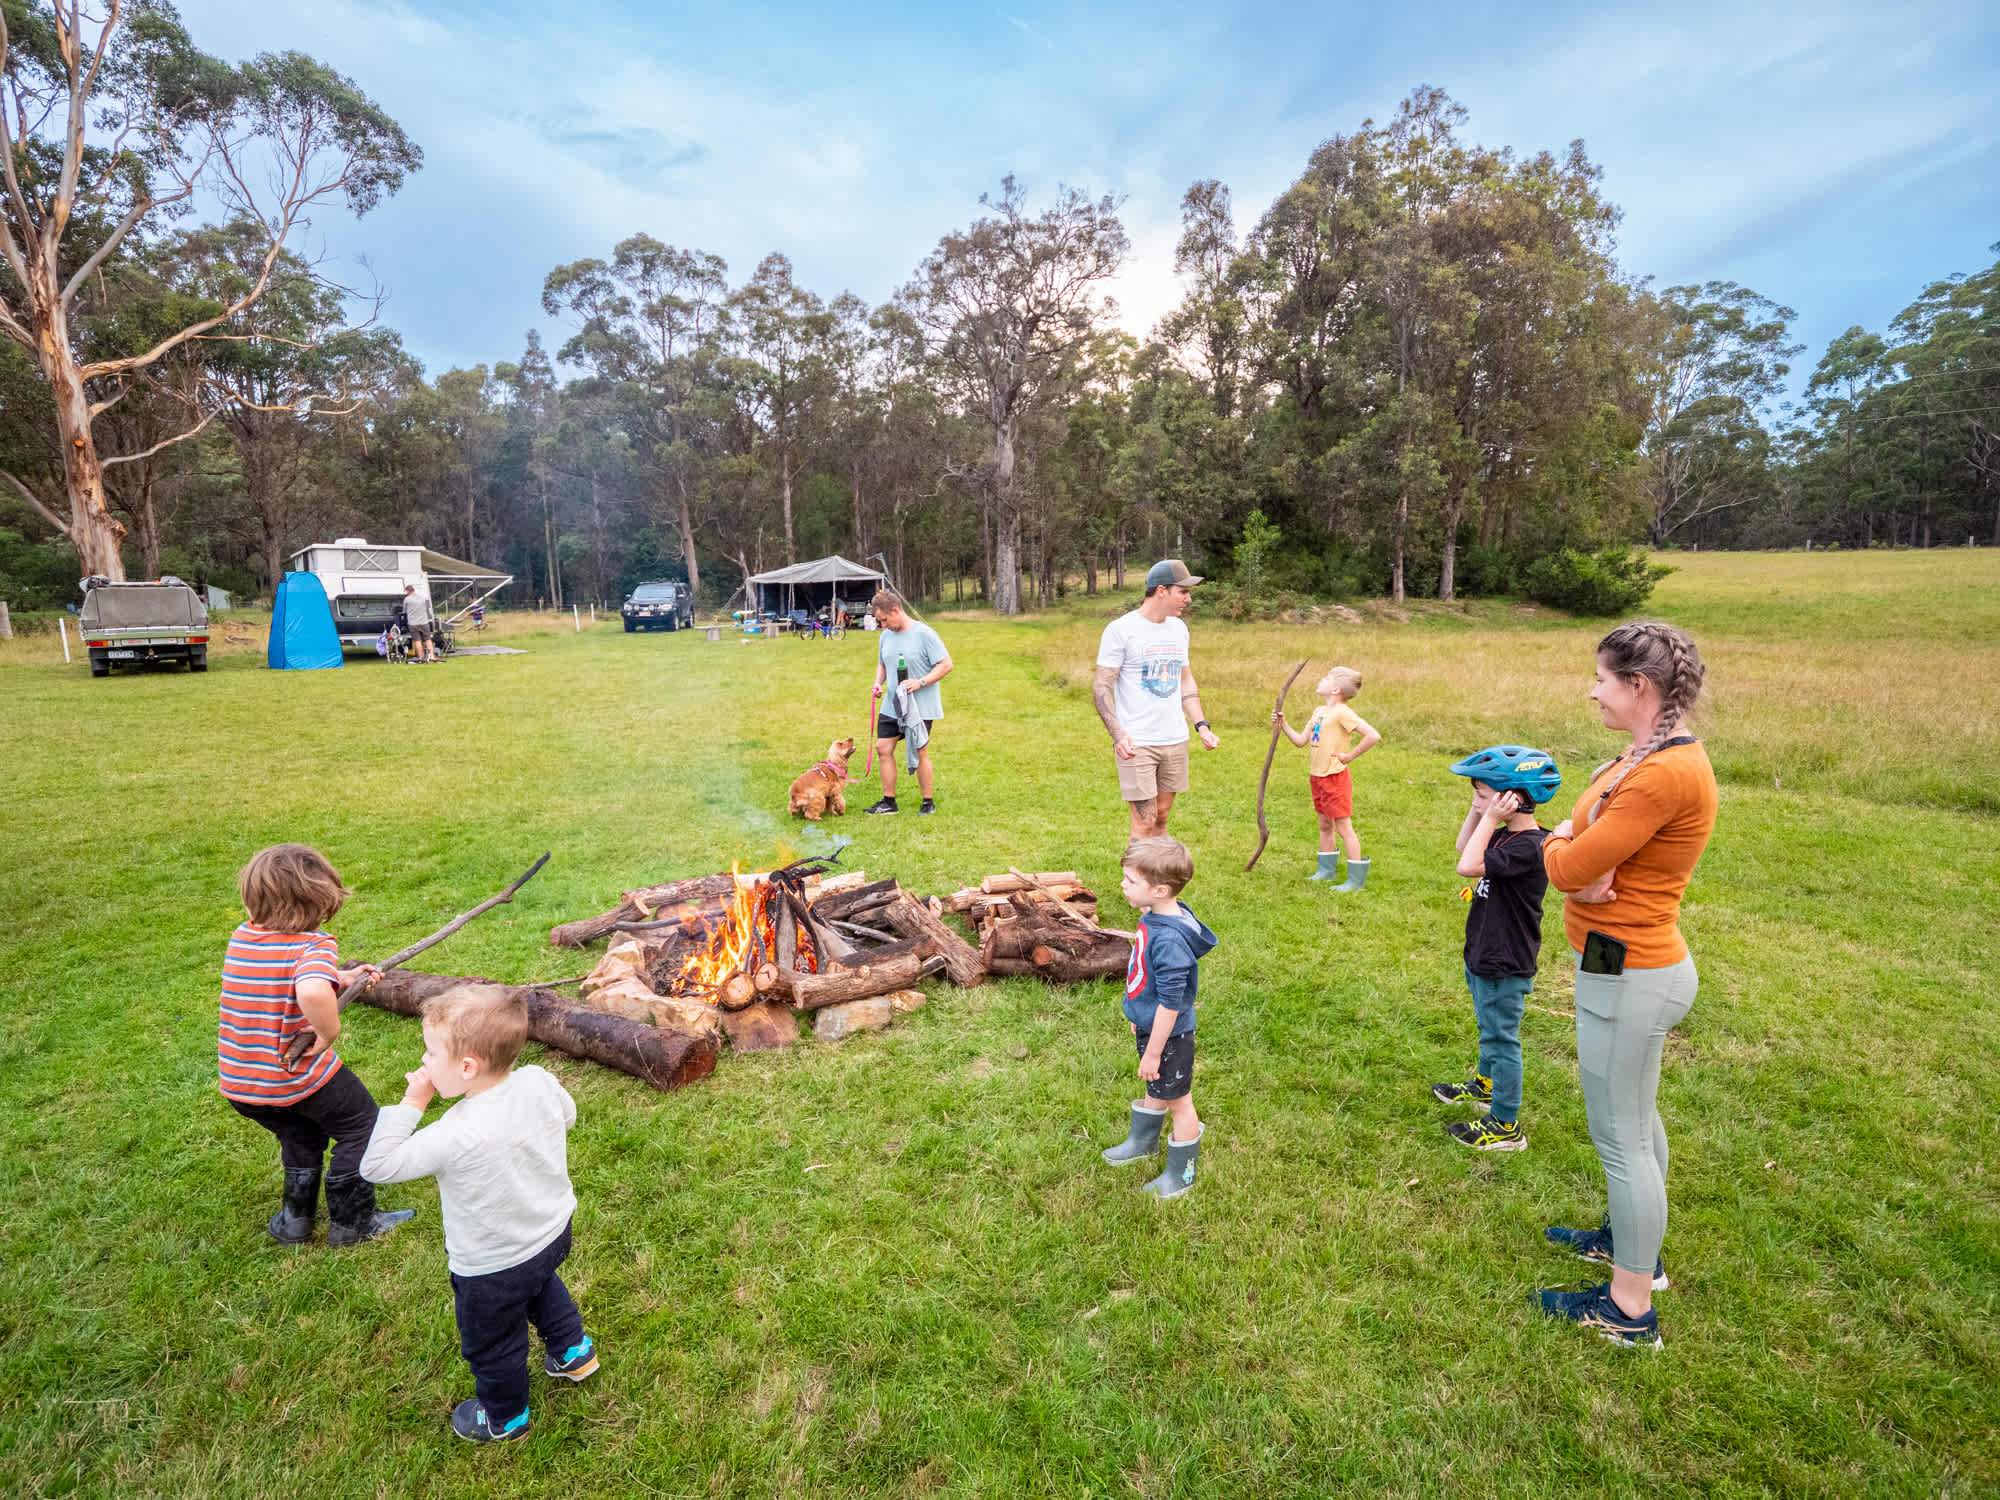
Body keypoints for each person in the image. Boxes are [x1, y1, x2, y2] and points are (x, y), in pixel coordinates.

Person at [1536, 622, 1716, 1350]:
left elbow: (1571, 867)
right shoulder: (1647, 753)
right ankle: (1628, 1245)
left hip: (1634, 970)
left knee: (1621, 1139)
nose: (1593, 690)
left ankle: (1630, 1306)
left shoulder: (1665, 771)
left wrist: (1554, 844)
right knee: (1635, 1121)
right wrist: (1579, 855)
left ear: (1638, 687)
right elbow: (1588, 854)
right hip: (1617, 962)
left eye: (1603, 680)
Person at [361, 984, 598, 1443]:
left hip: (492, 1265)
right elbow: (566, 1115)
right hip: (551, 1233)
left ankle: (506, 1417)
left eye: (431, 1053)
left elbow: (377, 1166)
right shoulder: (537, 1080)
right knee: (539, 1283)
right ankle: (573, 1350)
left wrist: (413, 1103)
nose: (424, 1063)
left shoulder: (454, 1132)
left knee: (493, 1342)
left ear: (467, 1067)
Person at [218, 844, 415, 1249]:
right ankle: (352, 1222)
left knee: (301, 1135)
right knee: (361, 1124)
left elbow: (280, 975)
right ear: (319, 899)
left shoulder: (243, 937)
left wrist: (339, 978)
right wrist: (327, 1032)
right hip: (294, 1074)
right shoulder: (313, 946)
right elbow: (308, 987)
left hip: (244, 1084)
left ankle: (295, 1221)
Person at [1430, 746, 1562, 1152]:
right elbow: (1463, 846)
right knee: (1489, 1030)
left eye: (1484, 793)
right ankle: (1485, 1087)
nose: (1477, 799)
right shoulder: (1506, 832)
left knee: (1500, 1040)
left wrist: (1488, 817)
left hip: (1506, 961)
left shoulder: (1529, 846)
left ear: (1515, 798)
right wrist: (1479, 811)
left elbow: (1467, 866)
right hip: (1485, 951)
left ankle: (1506, 1124)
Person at [1099, 836, 1218, 1200]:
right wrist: (1140, 1015)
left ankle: (1183, 1173)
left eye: (1131, 880)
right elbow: (1148, 982)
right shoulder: (1157, 915)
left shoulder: (1169, 941)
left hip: (1169, 1036)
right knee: (1158, 1088)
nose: (1122, 884)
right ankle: (1143, 1143)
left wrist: (1153, 1051)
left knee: (1179, 1100)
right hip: (1153, 1028)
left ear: (1160, 889)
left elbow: (1170, 1005)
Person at [1094, 560, 1220, 839]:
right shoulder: (1121, 630)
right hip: (1137, 742)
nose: (1188, 599)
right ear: (1161, 590)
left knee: (1161, 818)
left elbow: (1184, 679)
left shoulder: (1179, 629)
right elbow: (1101, 687)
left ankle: (1158, 882)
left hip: (1174, 738)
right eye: (1183, 591)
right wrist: (1118, 734)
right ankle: (1134, 883)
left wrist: (1202, 725)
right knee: (1144, 822)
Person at [1272, 666, 1380, 890]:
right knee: (1324, 824)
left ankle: (1355, 880)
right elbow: (1301, 740)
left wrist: (1349, 756)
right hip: (1317, 777)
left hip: (1334, 777)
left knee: (1343, 827)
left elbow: (1373, 735)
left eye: (1326, 678)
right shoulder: (1320, 711)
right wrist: (1283, 725)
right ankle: (1326, 871)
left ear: (1336, 690)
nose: (1321, 680)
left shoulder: (1342, 712)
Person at [866, 590, 953, 816]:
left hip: (919, 706)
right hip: (892, 703)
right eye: (879, 622)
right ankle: (889, 802)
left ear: (896, 610)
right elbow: (883, 665)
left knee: (919, 751)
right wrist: (878, 684)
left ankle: (927, 802)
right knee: (882, 748)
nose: (883, 625)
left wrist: (921, 682)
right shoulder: (885, 636)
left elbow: (946, 664)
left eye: (884, 620)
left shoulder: (925, 634)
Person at [403, 583, 440, 663]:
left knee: (417, 640)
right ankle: (432, 656)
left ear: (408, 591)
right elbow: (428, 609)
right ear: (414, 590)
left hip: (413, 623)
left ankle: (421, 658)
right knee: (428, 639)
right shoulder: (424, 598)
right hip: (424, 622)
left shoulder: (407, 599)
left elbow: (404, 612)